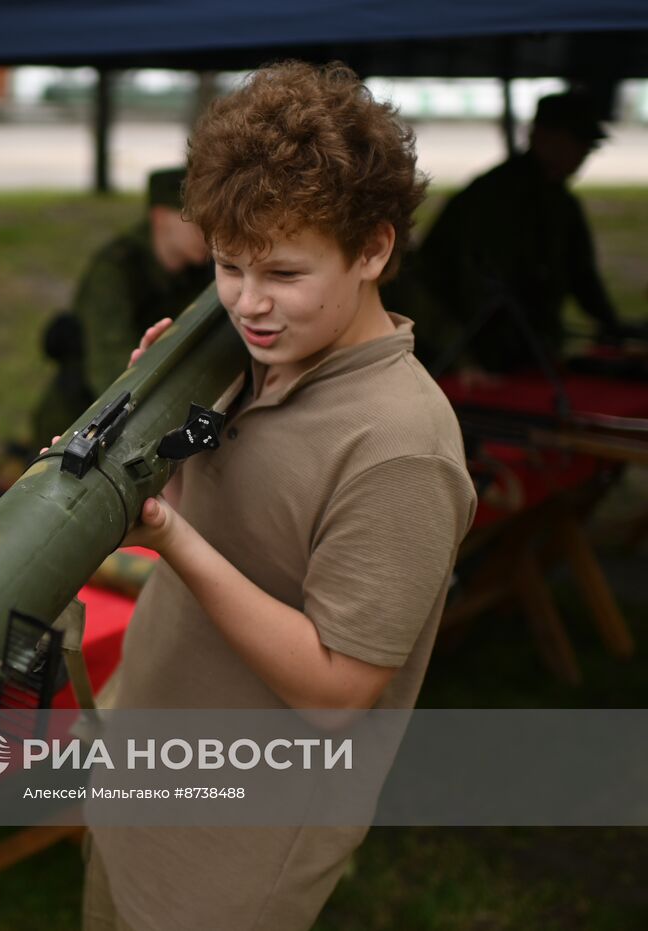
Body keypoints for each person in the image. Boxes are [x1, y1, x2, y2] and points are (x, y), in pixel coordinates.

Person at [83, 62, 477, 931]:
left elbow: (337, 695)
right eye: (228, 264)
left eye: (284, 274)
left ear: (374, 249)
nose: (248, 304)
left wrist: (172, 537)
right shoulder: (255, 352)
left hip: (234, 846)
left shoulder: (400, 450)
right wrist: (156, 408)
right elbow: (236, 505)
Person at [412, 89, 634, 373]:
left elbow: (582, 275)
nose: (582, 155)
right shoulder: (491, 196)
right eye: (577, 143)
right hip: (475, 352)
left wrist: (611, 326)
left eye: (587, 147)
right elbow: (473, 285)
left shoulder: (561, 203)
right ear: (542, 137)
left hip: (529, 351)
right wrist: (468, 358)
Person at [31, 167, 213, 439]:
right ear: (161, 218)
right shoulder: (115, 271)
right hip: (81, 424)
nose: (210, 233)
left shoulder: (204, 268)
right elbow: (112, 371)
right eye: (199, 221)